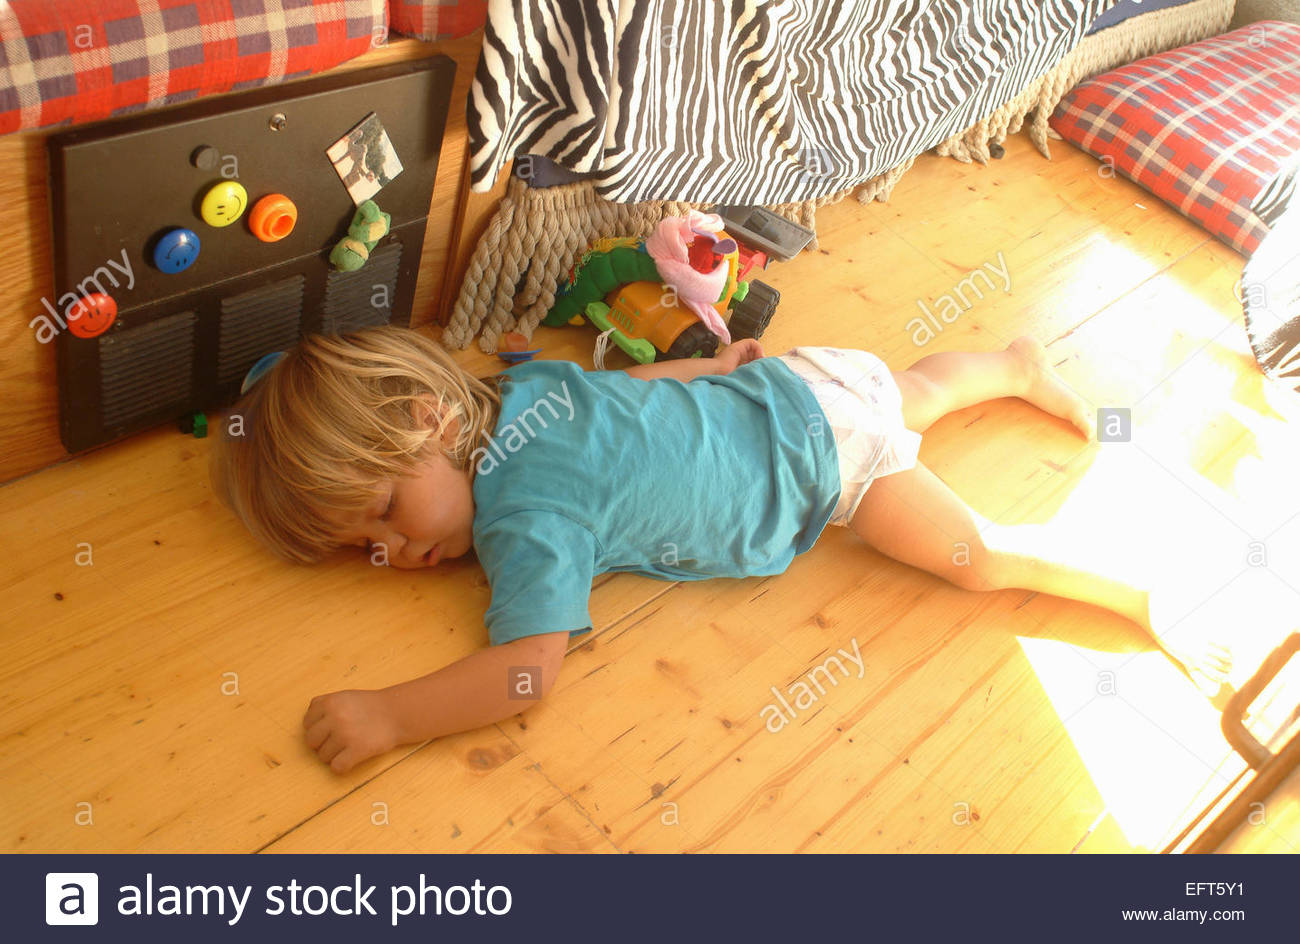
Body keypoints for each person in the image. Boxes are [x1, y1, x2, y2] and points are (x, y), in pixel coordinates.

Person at [209, 326, 1229, 774]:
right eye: (364, 551)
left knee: (978, 557)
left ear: (432, 419)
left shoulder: (523, 512)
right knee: (914, 386)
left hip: (832, 472)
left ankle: (1140, 595)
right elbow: (636, 392)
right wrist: (718, 365)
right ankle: (1011, 362)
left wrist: (391, 711)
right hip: (793, 384)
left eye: (385, 511)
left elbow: (526, 671)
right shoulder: (518, 390)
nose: (394, 550)